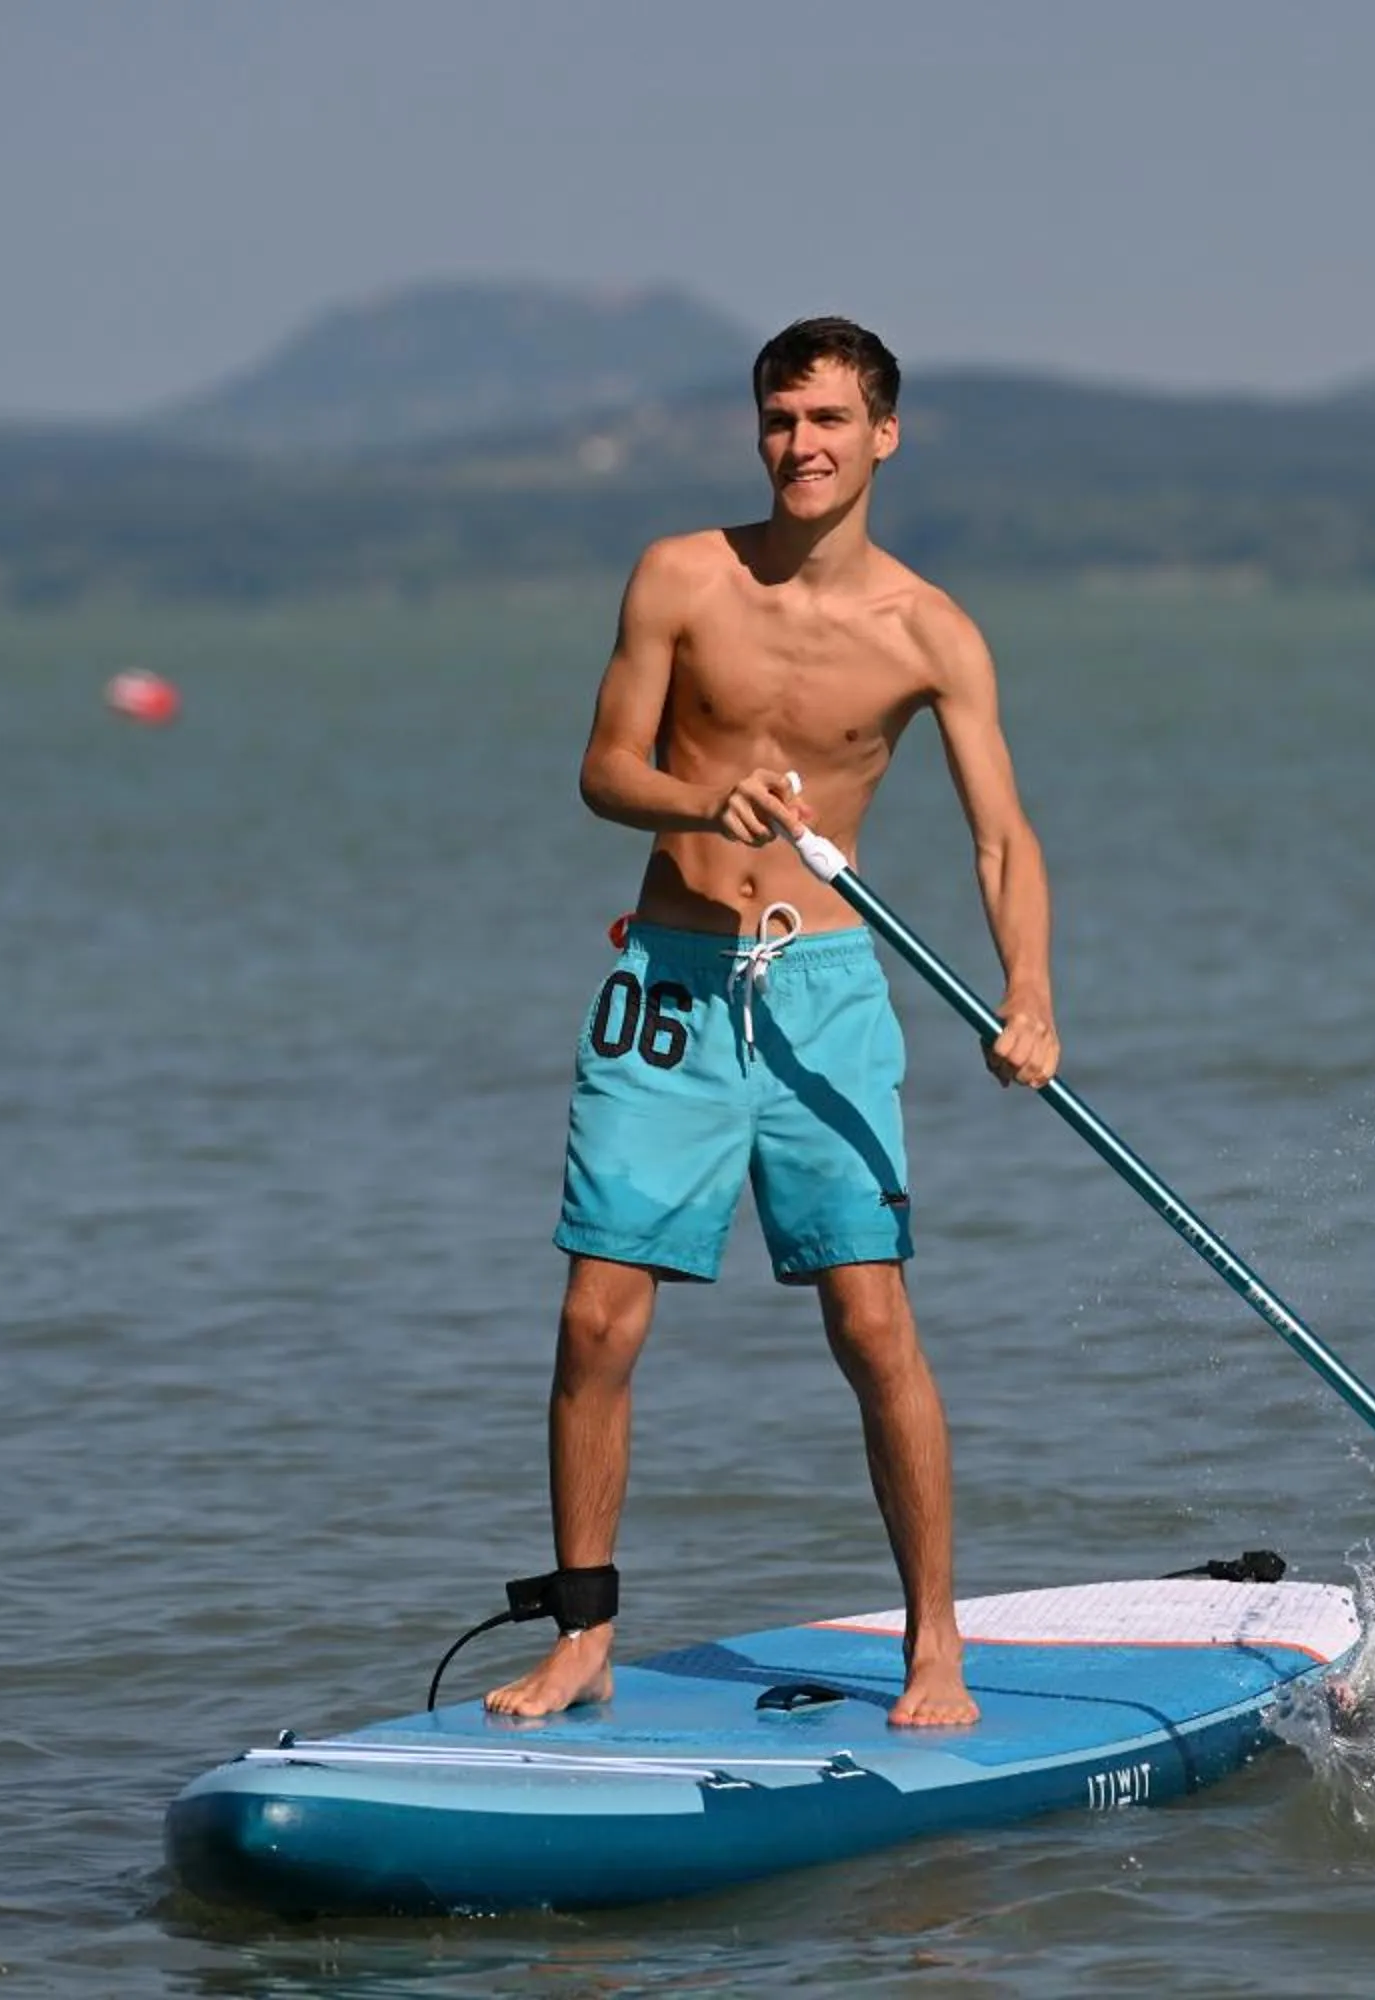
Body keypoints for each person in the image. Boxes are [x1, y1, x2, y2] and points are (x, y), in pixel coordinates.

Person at [485, 318, 1058, 1730]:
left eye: (827, 421)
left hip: (825, 993)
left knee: (871, 1320)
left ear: (883, 435)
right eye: (779, 420)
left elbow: (1002, 839)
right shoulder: (684, 576)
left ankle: (936, 1644)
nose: (800, 446)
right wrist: (702, 801)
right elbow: (605, 769)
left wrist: (1029, 990)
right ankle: (582, 1636)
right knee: (598, 1318)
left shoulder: (931, 632)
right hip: (670, 984)